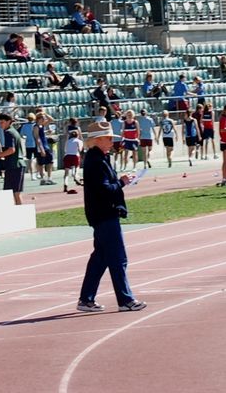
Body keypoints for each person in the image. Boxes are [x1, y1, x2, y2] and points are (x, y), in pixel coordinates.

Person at [75, 121, 144, 313]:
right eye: (107, 138)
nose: (111, 141)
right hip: (104, 214)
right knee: (118, 258)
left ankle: (86, 299)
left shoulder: (99, 158)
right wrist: (121, 182)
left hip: (103, 213)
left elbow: (104, 186)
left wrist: (119, 181)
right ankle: (125, 300)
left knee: (100, 259)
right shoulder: (96, 161)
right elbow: (103, 190)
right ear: (97, 140)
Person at [0, 112, 25, 205]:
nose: (0, 124)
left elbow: (11, 150)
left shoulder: (9, 132)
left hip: (14, 165)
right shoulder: (13, 131)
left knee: (15, 193)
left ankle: (20, 213)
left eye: (2, 122)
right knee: (13, 192)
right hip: (15, 164)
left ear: (9, 122)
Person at [62, 128, 83, 194]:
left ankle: (65, 184)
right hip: (75, 156)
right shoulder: (79, 141)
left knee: (66, 173)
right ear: (77, 135)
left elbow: (65, 150)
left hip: (67, 156)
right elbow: (80, 149)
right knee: (77, 168)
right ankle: (76, 177)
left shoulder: (68, 141)